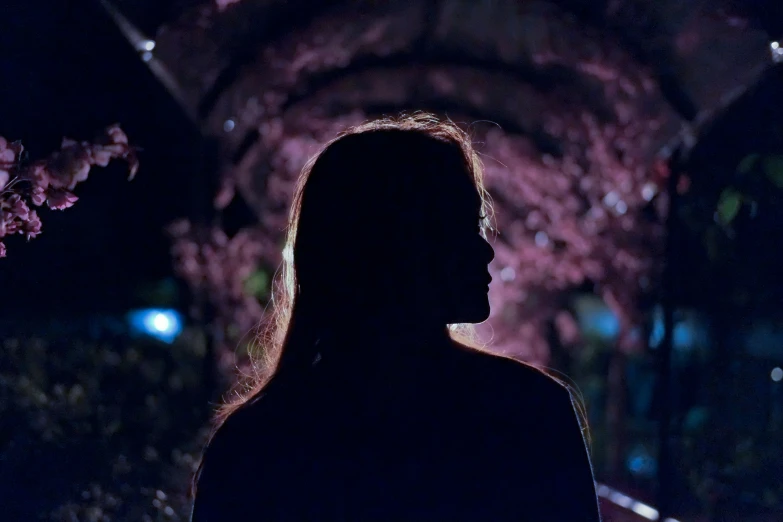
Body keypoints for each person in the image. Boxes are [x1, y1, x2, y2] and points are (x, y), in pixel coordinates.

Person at [190, 113, 601, 521]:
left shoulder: (259, 442)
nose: (485, 251)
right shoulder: (527, 413)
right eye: (458, 228)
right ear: (392, 246)